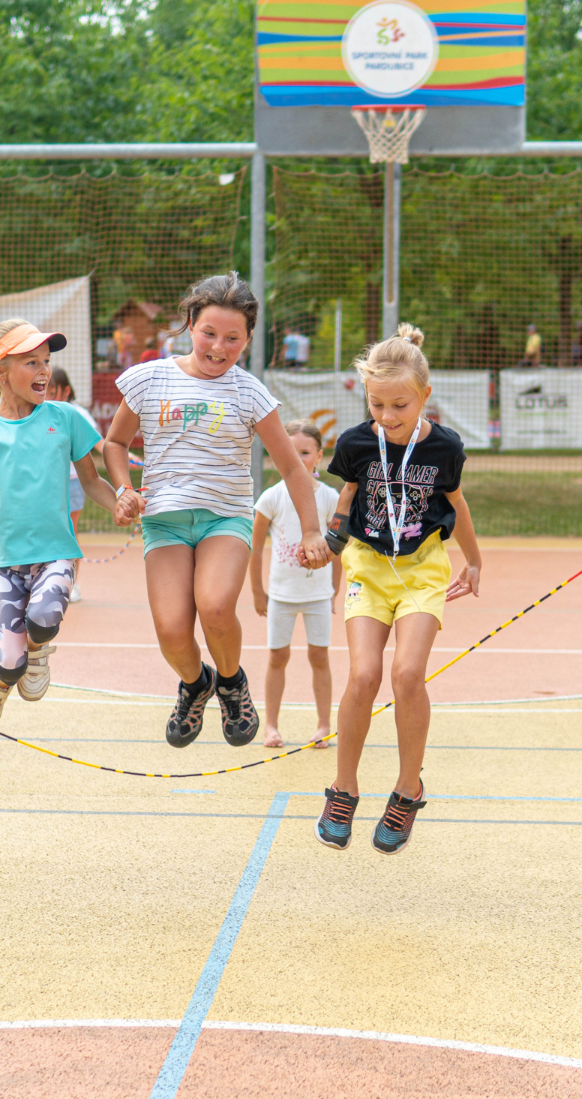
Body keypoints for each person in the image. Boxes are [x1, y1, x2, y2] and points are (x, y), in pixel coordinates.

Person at [102, 271, 328, 749]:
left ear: (248, 341)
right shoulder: (149, 378)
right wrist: (124, 489)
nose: (218, 347)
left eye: (233, 338)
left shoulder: (250, 393)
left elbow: (292, 470)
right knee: (170, 630)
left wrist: (312, 531)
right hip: (163, 519)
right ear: (189, 324)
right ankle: (196, 683)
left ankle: (231, 683)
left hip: (224, 517)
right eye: (209, 333)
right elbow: (116, 442)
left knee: (216, 604)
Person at [316, 324, 482, 856]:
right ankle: (344, 789)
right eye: (377, 404)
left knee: (407, 673)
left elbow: (456, 503)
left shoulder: (446, 448)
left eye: (399, 405)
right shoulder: (356, 442)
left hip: (423, 568)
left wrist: (474, 561)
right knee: (363, 674)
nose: (387, 417)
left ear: (425, 396)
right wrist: (332, 539)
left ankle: (408, 789)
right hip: (367, 565)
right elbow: (347, 491)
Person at [0, 320, 116, 733]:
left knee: (45, 616)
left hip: (56, 553)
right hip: (5, 561)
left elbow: (91, 481)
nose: (43, 371)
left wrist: (120, 502)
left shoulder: (65, 418)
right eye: (31, 362)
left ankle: (38, 650)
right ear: (0, 372)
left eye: (46, 362)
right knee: (10, 664)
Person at [250, 420, 342, 749]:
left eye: (305, 452)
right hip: (281, 596)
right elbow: (255, 546)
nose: (298, 457)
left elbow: (337, 547)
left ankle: (323, 725)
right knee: (277, 657)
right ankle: (271, 726)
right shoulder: (271, 498)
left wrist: (333, 589)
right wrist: (258, 592)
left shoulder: (331, 498)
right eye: (291, 451)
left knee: (319, 657)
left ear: (319, 456)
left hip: (317, 596)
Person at [49, 366, 100, 604]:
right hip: (46, 485)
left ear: (65, 390)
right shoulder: (39, 412)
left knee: (70, 534)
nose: (47, 394)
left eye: (52, 389)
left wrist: (124, 457)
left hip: (72, 483)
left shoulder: (76, 414)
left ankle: (72, 585)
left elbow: (99, 443)